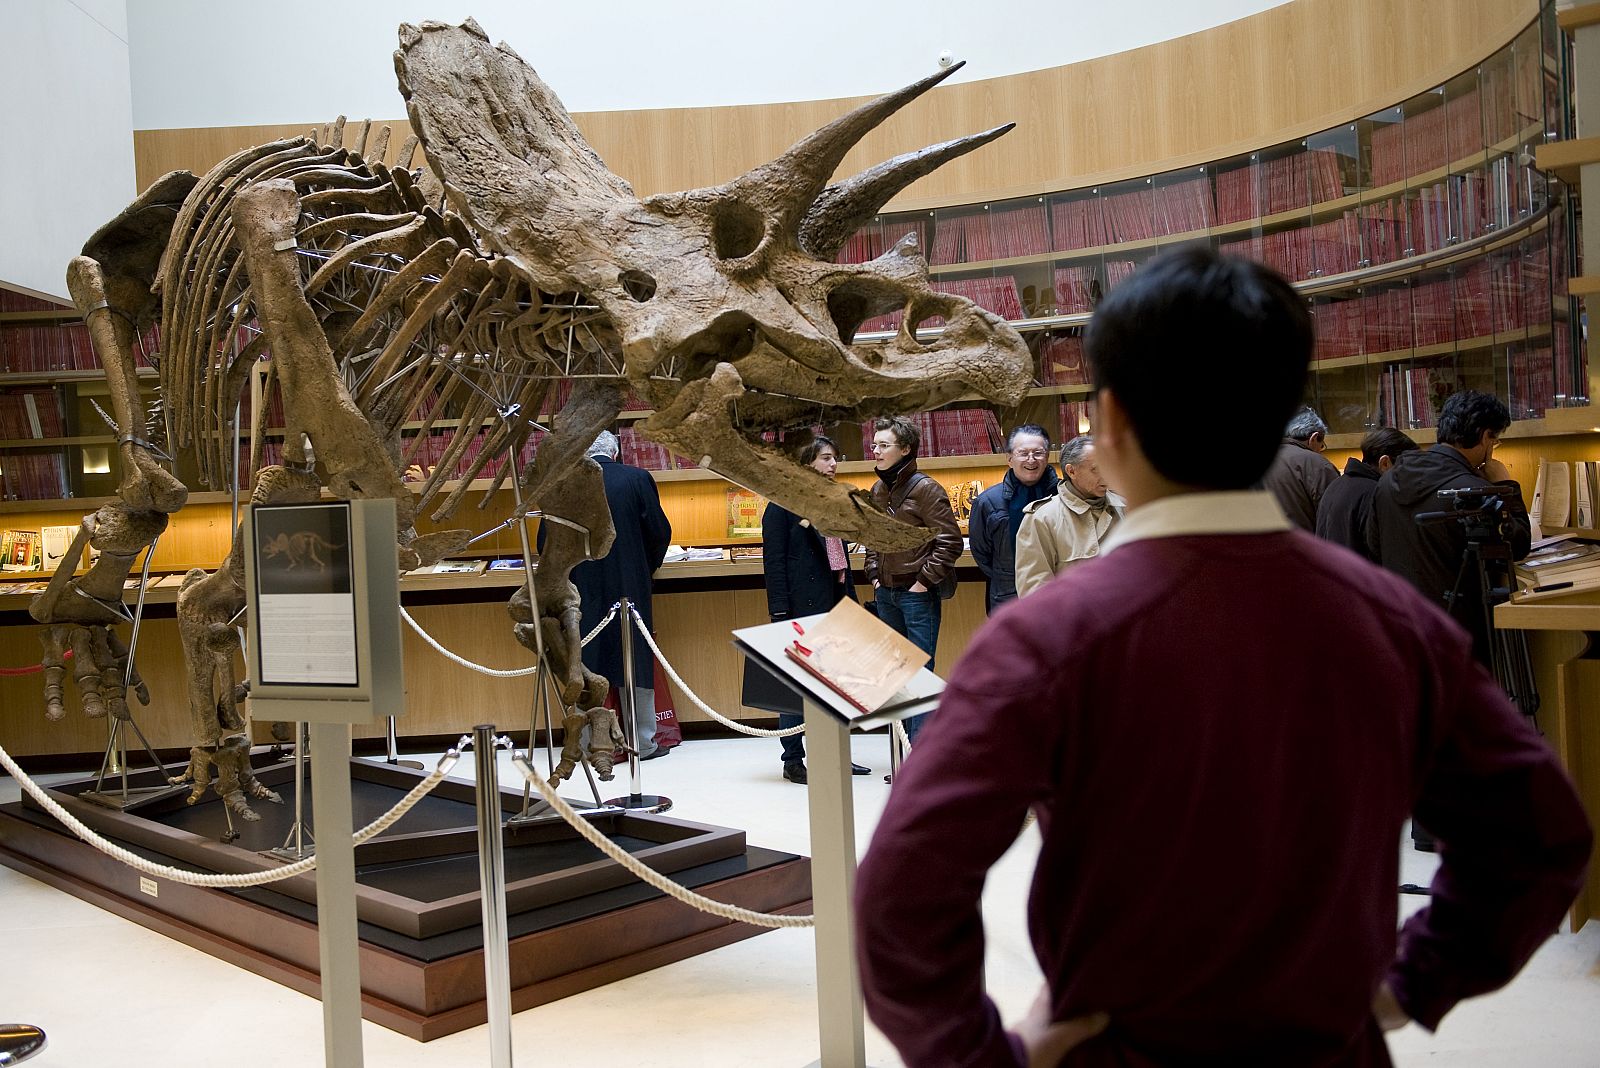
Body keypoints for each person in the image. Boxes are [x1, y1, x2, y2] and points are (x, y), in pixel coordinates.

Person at [853, 248, 1590, 1067]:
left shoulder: (1044, 640)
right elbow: (1537, 834)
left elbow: (900, 898)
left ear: (1113, 423)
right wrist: (1408, 984)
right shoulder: (1394, 623)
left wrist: (990, 1059)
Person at [1366, 390, 1532, 664]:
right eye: (1495, 440)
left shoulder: (1387, 481)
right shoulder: (1475, 492)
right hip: (1458, 634)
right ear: (1483, 435)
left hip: (1401, 626)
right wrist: (1506, 486)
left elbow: (1374, 547)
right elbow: (1518, 545)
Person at [755, 435, 870, 784]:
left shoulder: (833, 501)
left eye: (835, 457)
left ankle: (836, 754)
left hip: (836, 601)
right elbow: (773, 564)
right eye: (825, 457)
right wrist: (779, 613)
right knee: (796, 689)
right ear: (806, 463)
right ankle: (793, 759)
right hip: (799, 608)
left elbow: (842, 557)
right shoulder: (781, 506)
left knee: (836, 686)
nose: (833, 464)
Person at [564, 430, 673, 759]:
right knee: (635, 659)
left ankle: (584, 743)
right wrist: (645, 568)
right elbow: (659, 532)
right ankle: (642, 740)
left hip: (581, 586)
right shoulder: (637, 478)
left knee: (585, 659)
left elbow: (546, 542)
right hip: (629, 583)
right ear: (615, 452)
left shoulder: (566, 483)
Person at [864, 415, 962, 742]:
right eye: (874, 444)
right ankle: (901, 757)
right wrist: (875, 576)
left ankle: (919, 760)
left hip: (916, 594)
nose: (875, 450)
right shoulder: (878, 489)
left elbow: (950, 542)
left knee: (919, 678)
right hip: (886, 593)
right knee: (896, 679)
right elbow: (873, 539)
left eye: (883, 445)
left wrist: (922, 583)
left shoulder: (926, 488)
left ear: (905, 448)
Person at [1013, 434, 1123, 597]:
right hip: (1074, 619)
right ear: (1072, 471)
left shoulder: (1125, 507)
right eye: (1096, 469)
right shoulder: (1043, 518)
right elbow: (1034, 591)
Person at [969, 424, 1058, 613]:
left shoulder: (1064, 495)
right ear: (1009, 458)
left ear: (1048, 456)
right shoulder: (987, 502)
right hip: (1008, 595)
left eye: (1038, 453)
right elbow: (981, 553)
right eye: (1023, 453)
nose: (1031, 460)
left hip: (1058, 592)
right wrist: (1009, 575)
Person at [1315, 427, 1419, 561]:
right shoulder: (1375, 493)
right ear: (1385, 463)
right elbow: (1381, 552)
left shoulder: (1337, 484)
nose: (1407, 476)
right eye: (1404, 467)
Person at [1263, 405, 1338, 530]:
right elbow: (1335, 517)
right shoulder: (1318, 465)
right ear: (1313, 438)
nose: (1321, 451)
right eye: (1321, 445)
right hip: (1307, 546)